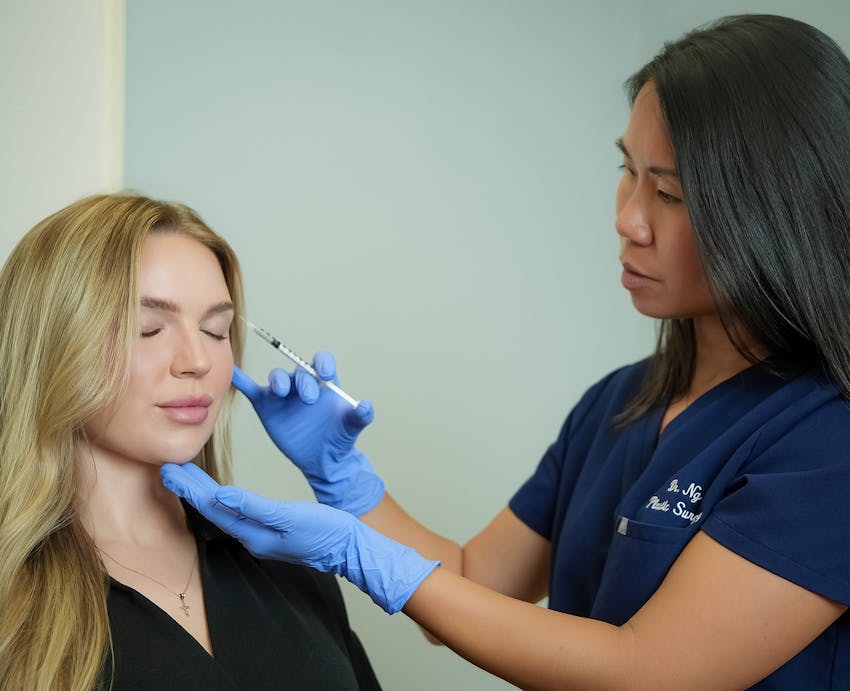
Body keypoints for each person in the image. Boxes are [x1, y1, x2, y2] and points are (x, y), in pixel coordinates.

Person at [162, 13, 850, 690]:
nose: (626, 217)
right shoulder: (618, 405)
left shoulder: (828, 437)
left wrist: (358, 554)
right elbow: (471, 582)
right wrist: (349, 484)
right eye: (627, 169)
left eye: (667, 191)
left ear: (773, 211)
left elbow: (644, 668)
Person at [0, 194, 381, 690]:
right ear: (52, 345)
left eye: (215, 330)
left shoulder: (290, 564)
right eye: (149, 328)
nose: (196, 359)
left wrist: (348, 487)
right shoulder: (15, 598)